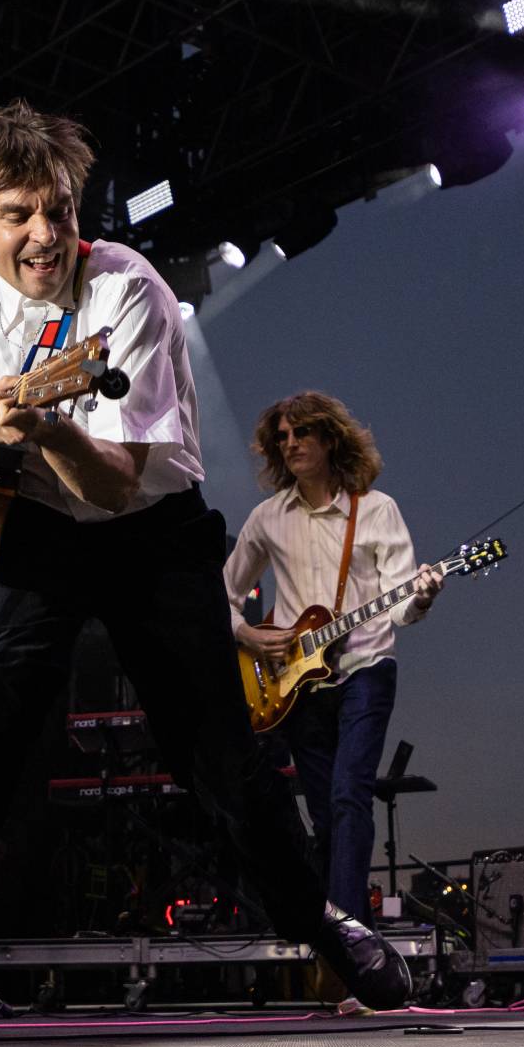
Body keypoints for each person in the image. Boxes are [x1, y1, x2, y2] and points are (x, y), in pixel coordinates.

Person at [0, 100, 410, 1047]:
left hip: (145, 530)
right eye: (18, 215)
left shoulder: (130, 294)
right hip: (27, 531)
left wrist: (38, 421)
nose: (44, 236)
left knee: (220, 757)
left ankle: (318, 923)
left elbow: (116, 485)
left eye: (60, 212)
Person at [224, 393, 442, 927]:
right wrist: (249, 634)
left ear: (328, 438)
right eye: (283, 436)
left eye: (301, 433)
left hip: (367, 669)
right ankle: (328, 930)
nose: (291, 443)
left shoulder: (377, 509)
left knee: (350, 798)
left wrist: (422, 595)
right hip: (297, 684)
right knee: (324, 814)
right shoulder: (267, 519)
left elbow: (401, 608)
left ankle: (349, 934)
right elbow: (222, 595)